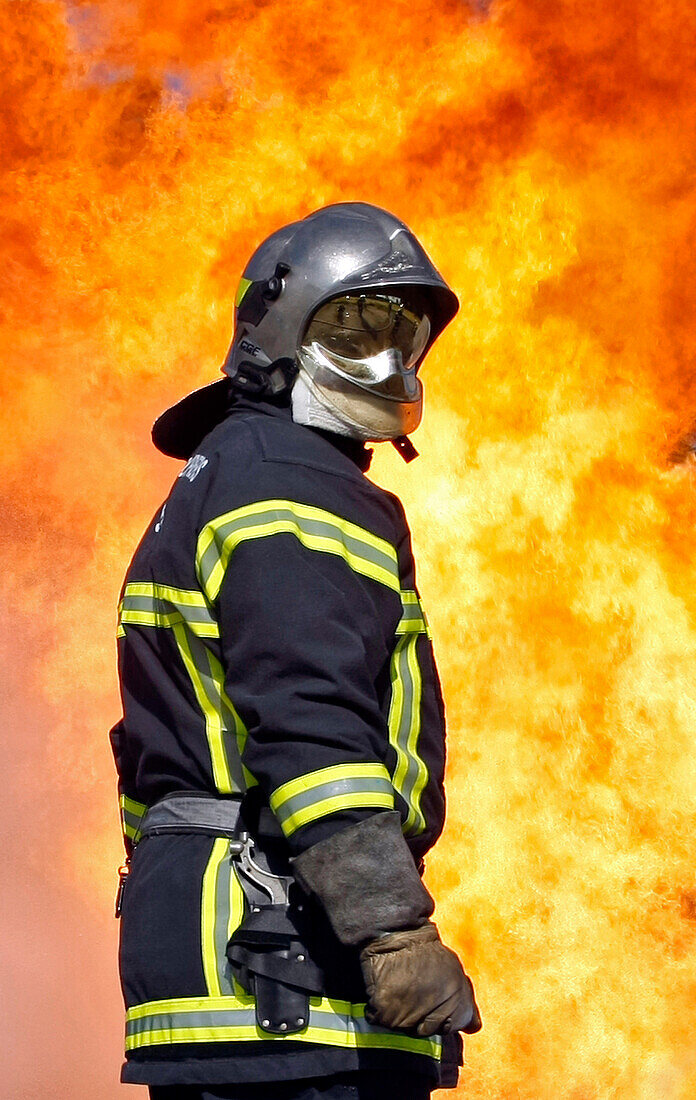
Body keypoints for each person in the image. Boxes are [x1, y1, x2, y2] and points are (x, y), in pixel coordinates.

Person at [110, 201, 481, 1100]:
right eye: (356, 328)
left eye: (403, 336)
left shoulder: (225, 470)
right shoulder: (290, 480)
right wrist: (391, 932)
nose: (387, 362)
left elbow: (161, 758)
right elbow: (310, 722)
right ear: (278, 325)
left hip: (218, 965)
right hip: (287, 975)